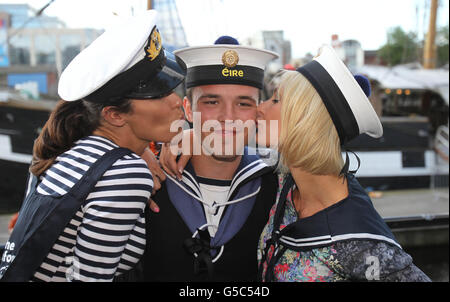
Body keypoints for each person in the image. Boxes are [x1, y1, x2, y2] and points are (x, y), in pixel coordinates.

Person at [0, 10, 186, 282]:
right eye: (158, 94)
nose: (176, 101)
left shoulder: (69, 151)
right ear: (114, 115)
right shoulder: (127, 172)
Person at [256, 45, 431, 282]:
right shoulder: (285, 182)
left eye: (275, 100)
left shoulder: (362, 242)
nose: (260, 108)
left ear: (306, 122)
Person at [141, 36, 280, 281]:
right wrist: (140, 150)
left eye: (243, 103)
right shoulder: (148, 177)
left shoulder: (277, 184)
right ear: (187, 109)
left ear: (258, 113)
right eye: (212, 101)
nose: (227, 116)